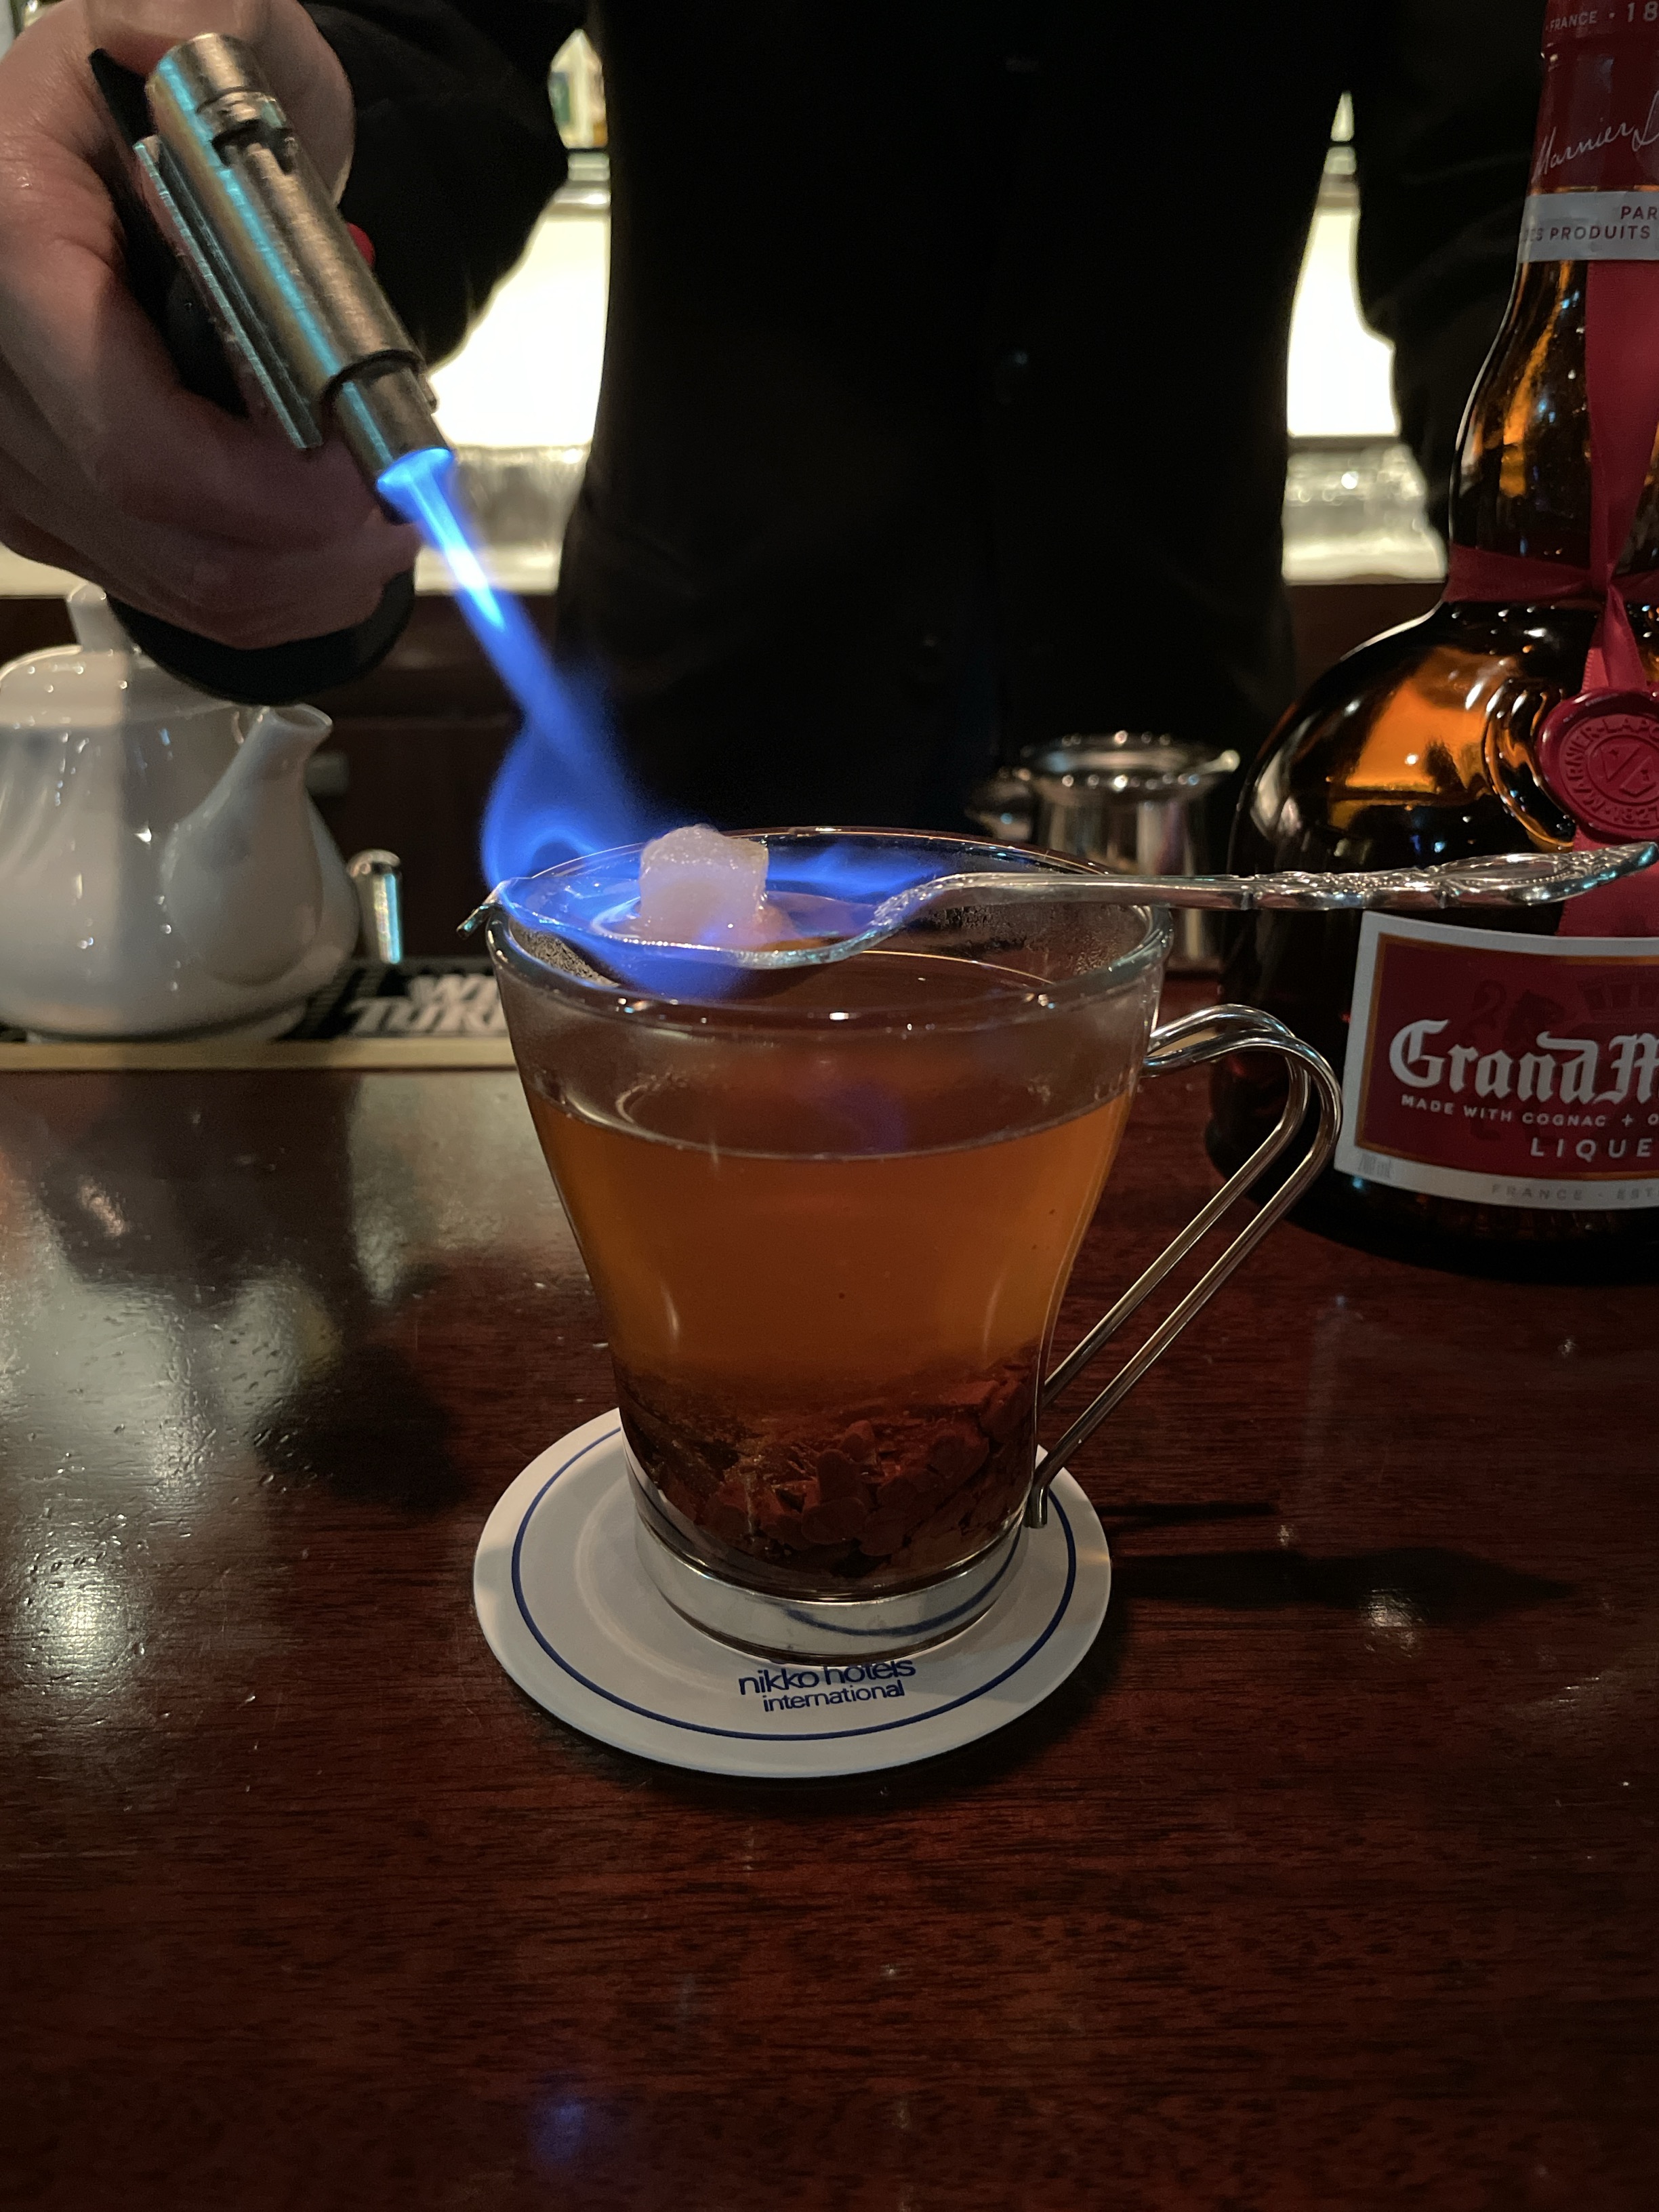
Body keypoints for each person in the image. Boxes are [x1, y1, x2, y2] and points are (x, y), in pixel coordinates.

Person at [0, 0, 1544, 832]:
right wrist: (223, 294)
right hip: (704, 758)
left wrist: (1593, 588)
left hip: (1166, 768)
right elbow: (411, 45)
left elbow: (1505, 213)